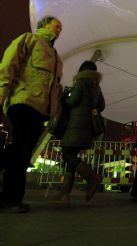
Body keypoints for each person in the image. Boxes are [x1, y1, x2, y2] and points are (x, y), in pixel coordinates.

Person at [0, 16, 63, 213]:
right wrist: (2, 93)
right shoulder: (29, 39)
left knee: (23, 153)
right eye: (57, 25)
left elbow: (54, 87)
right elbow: (8, 65)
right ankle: (10, 199)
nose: (60, 29)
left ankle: (11, 197)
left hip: (40, 109)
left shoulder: (55, 55)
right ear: (44, 25)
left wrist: (52, 113)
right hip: (23, 101)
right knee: (20, 150)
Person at [49, 60, 105, 205]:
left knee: (66, 153)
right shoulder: (96, 86)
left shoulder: (81, 82)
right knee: (71, 158)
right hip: (86, 126)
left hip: (75, 124)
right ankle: (64, 194)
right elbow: (102, 105)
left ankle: (91, 176)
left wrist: (64, 97)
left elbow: (73, 101)